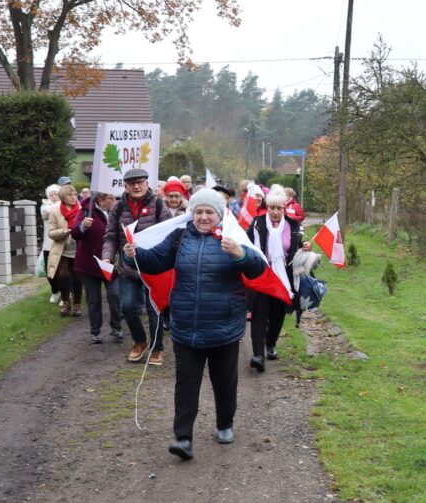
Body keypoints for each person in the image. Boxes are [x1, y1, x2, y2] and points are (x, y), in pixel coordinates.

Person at [123, 188, 265, 460]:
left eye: (208, 212)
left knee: (224, 381)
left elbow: (257, 269)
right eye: (198, 212)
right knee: (186, 384)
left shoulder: (232, 237)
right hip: (186, 326)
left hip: (224, 326)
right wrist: (133, 255)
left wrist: (240, 254)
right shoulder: (179, 237)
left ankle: (225, 424)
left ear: (219, 215)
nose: (203, 217)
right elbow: (154, 262)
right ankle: (183, 437)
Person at [101, 168, 173, 365]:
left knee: (154, 309)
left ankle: (157, 349)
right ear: (125, 186)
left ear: (147, 184)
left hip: (154, 268)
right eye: (131, 183)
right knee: (128, 306)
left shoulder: (159, 204)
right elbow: (110, 237)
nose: (136, 186)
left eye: (140, 182)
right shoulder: (117, 208)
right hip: (129, 269)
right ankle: (140, 341)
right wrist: (106, 257)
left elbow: (169, 234)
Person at [245, 188, 311, 372]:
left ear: (284, 208)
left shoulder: (292, 225)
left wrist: (305, 245)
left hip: (283, 278)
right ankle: (258, 355)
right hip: (262, 276)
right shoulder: (258, 224)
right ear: (267, 208)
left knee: (277, 314)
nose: (275, 212)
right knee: (259, 314)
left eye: (279, 208)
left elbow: (296, 245)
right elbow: (247, 243)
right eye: (271, 208)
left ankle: (271, 343)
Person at [74, 192, 122, 343]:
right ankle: (95, 332)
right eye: (111, 198)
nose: (114, 201)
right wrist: (83, 226)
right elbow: (75, 234)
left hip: (111, 264)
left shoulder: (116, 213)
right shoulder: (85, 212)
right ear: (101, 200)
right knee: (93, 300)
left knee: (115, 296)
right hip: (90, 264)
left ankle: (116, 327)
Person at [45, 184, 83, 317]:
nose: (73, 197)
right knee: (62, 275)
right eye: (70, 195)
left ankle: (77, 304)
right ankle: (66, 302)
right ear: (63, 197)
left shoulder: (82, 209)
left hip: (79, 249)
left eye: (75, 195)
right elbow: (50, 233)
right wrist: (63, 232)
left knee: (78, 278)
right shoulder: (55, 211)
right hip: (62, 250)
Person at [40, 184, 62, 304]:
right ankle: (55, 291)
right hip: (48, 244)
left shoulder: (65, 206)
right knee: (49, 270)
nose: (53, 197)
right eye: (51, 195)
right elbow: (48, 211)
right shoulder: (45, 207)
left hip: (62, 243)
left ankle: (66, 293)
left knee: (63, 271)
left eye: (56, 195)